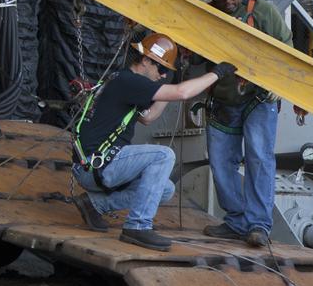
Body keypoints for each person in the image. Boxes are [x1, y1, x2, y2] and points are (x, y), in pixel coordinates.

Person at [72, 32, 234, 250]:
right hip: (97, 166)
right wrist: (218, 72)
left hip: (97, 167)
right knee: (163, 155)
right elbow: (183, 93)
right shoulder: (130, 81)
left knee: (165, 189)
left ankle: (94, 204)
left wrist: (169, 85)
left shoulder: (124, 82)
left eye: (166, 72)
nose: (162, 75)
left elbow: (148, 118)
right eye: (161, 69)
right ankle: (138, 226)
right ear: (146, 60)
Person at [200, 0, 294, 249]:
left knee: (258, 158)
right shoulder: (208, 15)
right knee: (219, 162)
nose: (228, 2)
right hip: (224, 99)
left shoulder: (264, 12)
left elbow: (286, 50)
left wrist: (279, 85)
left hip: (258, 97)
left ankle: (257, 225)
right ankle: (237, 219)